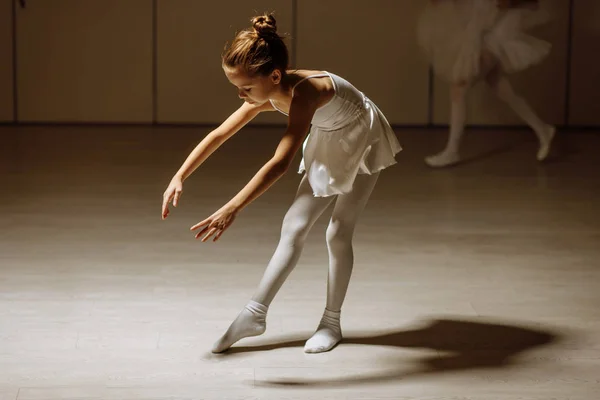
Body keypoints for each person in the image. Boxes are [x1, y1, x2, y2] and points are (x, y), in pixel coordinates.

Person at [161, 14, 401, 353]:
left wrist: (233, 208)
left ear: (274, 75)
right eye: (237, 89)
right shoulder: (268, 93)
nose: (241, 96)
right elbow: (220, 134)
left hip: (362, 135)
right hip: (329, 137)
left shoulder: (306, 93)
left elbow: (280, 163)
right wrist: (180, 174)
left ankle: (331, 322)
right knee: (294, 225)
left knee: (337, 231)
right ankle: (255, 314)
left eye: (245, 88)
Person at [418, 0, 556, 167]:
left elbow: (512, 4)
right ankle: (543, 129)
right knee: (501, 88)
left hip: (497, 33)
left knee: (459, 87)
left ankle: (452, 151)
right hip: (486, 31)